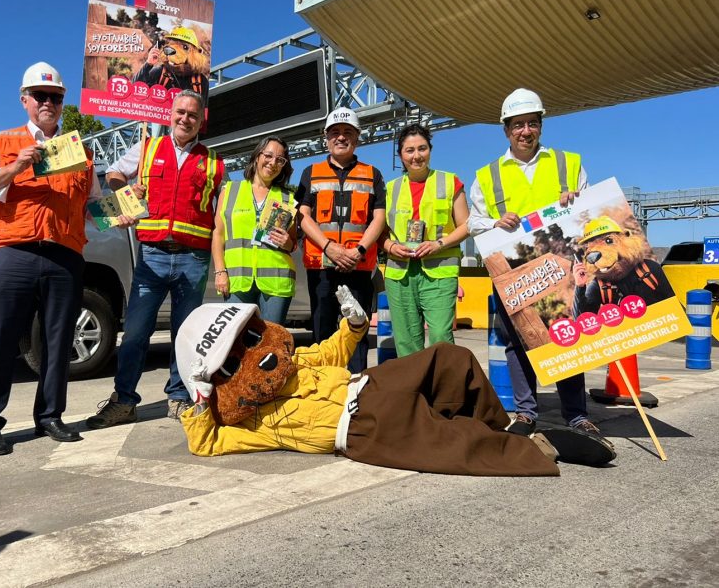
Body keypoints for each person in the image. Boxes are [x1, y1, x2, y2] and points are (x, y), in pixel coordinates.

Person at [173, 287, 616, 475]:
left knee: (450, 358)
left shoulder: (295, 360)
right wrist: (199, 401)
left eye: (251, 337)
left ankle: (500, 423)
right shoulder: (252, 422)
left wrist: (351, 325)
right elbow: (208, 442)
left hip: (369, 383)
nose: (259, 353)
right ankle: (540, 449)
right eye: (232, 362)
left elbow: (331, 351)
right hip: (361, 428)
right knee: (444, 440)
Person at [0, 62, 102, 455]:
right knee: (2, 339)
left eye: (55, 97)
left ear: (62, 103)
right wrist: (15, 166)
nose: (48, 103)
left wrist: (124, 207)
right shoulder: (2, 141)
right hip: (13, 251)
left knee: (59, 340)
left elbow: (92, 205)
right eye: (40, 96)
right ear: (25, 100)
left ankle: (49, 417)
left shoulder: (80, 152)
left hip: (64, 256)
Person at [86, 90, 225, 428]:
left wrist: (220, 265)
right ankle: (124, 400)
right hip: (152, 258)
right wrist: (125, 193)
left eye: (193, 114)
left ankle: (178, 398)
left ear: (201, 120)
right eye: (180, 112)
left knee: (185, 334)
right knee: (135, 332)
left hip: (194, 259)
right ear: (170, 114)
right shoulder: (147, 148)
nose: (185, 119)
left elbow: (221, 216)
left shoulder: (215, 162)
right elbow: (114, 174)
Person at [467, 88, 598, 437]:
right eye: (518, 125)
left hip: (561, 268)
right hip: (515, 273)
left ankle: (576, 414)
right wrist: (493, 223)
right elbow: (473, 223)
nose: (525, 131)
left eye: (532, 123)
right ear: (506, 129)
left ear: (540, 125)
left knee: (566, 336)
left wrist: (577, 200)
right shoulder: (487, 175)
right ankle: (526, 412)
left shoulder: (568, 163)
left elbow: (591, 210)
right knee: (518, 341)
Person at [295, 107, 387, 373]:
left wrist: (358, 250)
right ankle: (321, 385)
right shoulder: (310, 172)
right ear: (326, 138)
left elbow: (378, 219)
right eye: (335, 132)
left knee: (356, 331)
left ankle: (356, 386)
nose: (341, 137)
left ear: (357, 138)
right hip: (321, 266)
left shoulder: (373, 174)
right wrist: (330, 248)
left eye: (348, 132)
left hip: (358, 266)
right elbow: (303, 216)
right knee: (322, 332)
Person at [379, 124, 469, 354]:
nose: (416, 156)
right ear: (400, 155)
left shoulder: (450, 182)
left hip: (439, 271)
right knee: (406, 341)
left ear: (430, 150)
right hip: (400, 273)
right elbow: (378, 232)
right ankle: (414, 389)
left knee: (440, 336)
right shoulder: (389, 189)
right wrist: (390, 246)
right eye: (409, 150)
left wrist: (438, 244)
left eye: (422, 148)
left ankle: (444, 388)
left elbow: (467, 225)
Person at [211, 136, 297, 325]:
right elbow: (218, 233)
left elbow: (293, 243)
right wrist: (220, 272)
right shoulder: (230, 190)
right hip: (237, 280)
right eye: (268, 155)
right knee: (238, 343)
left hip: (276, 281)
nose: (273, 163)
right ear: (257, 156)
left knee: (270, 345)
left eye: (280, 160)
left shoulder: (287, 197)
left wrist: (288, 243)